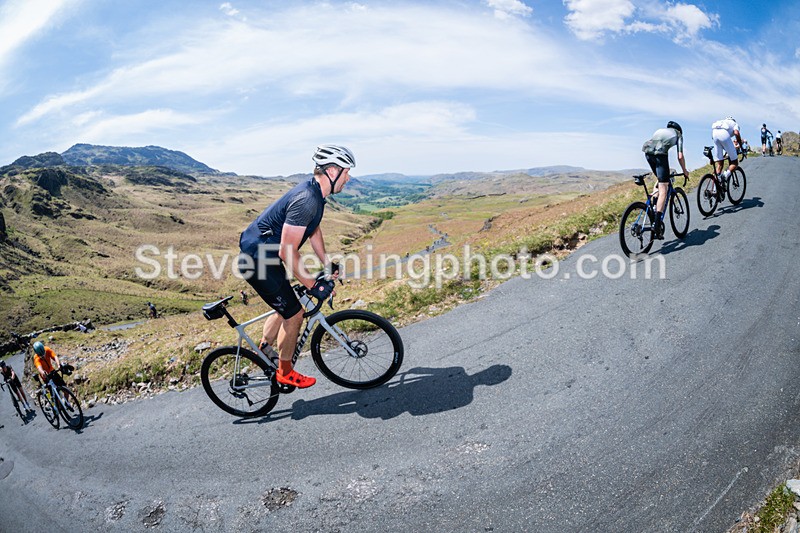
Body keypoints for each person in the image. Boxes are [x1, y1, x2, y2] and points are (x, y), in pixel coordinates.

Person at [238, 145, 354, 389]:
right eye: (346, 172)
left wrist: (325, 264)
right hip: (258, 260)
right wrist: (314, 286)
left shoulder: (317, 195)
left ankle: (265, 346)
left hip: (266, 256)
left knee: (288, 301)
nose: (349, 177)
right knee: (295, 313)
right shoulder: (307, 199)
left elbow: (313, 229)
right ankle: (285, 371)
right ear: (332, 171)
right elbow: (287, 251)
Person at [641, 120, 690, 239]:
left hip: (647, 151)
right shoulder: (678, 135)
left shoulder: (660, 130)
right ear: (679, 130)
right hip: (660, 153)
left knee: (660, 180)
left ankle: (653, 205)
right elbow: (680, 156)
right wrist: (685, 170)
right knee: (664, 188)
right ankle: (657, 223)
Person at [32, 341, 73, 408]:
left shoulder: (47, 349)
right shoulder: (36, 358)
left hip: (53, 372)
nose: (43, 356)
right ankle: (60, 408)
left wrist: (58, 365)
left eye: (44, 354)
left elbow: (55, 357)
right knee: (56, 395)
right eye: (41, 356)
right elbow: (39, 368)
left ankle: (66, 402)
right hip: (46, 376)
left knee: (66, 389)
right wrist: (43, 372)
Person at [711, 117, 744, 185]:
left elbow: (719, 140)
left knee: (720, 164)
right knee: (735, 162)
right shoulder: (735, 124)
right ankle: (725, 176)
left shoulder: (723, 122)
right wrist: (740, 145)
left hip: (714, 133)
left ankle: (715, 190)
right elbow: (736, 133)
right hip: (723, 134)